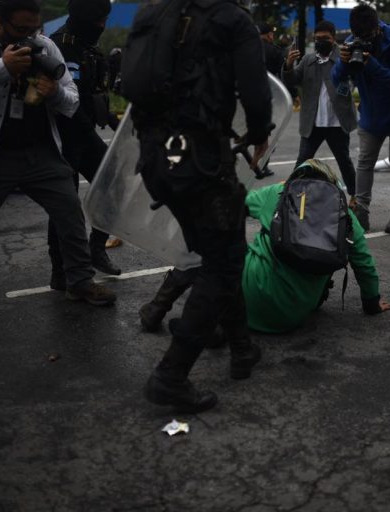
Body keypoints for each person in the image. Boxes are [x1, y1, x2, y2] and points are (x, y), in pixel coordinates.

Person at [0, 0, 116, 335]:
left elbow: (72, 98)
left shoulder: (43, 43)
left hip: (39, 152)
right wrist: (1, 66)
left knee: (69, 211)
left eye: (34, 28)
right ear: (0, 23)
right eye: (22, 30)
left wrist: (52, 93)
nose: (31, 35)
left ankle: (78, 281)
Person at [133, 0, 272, 412]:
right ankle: (171, 376)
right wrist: (260, 131)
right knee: (224, 262)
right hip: (202, 163)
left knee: (220, 251)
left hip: (156, 158)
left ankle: (242, 347)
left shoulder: (152, 14)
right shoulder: (233, 19)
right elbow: (255, 92)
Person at [139, 159, 390, 335]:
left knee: (206, 250)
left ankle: (158, 309)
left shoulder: (280, 193)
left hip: (247, 299)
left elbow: (231, 207)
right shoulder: (344, 214)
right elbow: (365, 266)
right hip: (292, 318)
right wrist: (372, 304)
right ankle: (219, 324)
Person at [46, 0, 121, 290]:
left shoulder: (91, 48)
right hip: (62, 137)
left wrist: (119, 123)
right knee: (64, 205)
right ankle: (59, 270)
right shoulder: (57, 47)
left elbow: (97, 95)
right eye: (98, 21)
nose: (102, 26)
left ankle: (96, 247)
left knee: (113, 184)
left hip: (86, 133)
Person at [332, 4, 390, 234]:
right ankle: (361, 212)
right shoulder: (352, 41)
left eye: (367, 36)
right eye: (359, 36)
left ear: (377, 28)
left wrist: (372, 64)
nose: (363, 40)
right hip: (370, 113)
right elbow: (337, 79)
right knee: (364, 163)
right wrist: (343, 62)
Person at [284, 20, 358, 202]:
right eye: (317, 38)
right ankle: (288, 197)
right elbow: (292, 80)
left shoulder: (344, 57)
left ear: (333, 39)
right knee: (302, 162)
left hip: (337, 123)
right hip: (313, 123)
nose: (321, 41)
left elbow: (356, 77)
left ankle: (356, 197)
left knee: (345, 162)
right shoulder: (308, 60)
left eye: (325, 38)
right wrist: (288, 65)